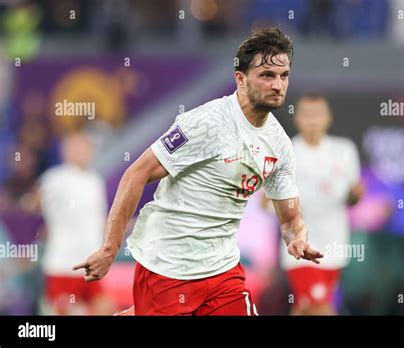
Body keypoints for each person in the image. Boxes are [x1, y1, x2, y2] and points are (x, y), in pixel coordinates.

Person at [74, 28, 323, 316]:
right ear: (240, 79)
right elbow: (135, 174)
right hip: (167, 266)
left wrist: (297, 238)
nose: (278, 84)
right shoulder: (206, 123)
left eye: (284, 76)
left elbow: (290, 219)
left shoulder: (279, 145)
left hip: (222, 271)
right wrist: (109, 250)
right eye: (267, 75)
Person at [280, 94, 363, 315]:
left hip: (334, 247)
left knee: (304, 307)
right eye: (307, 115)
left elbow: (352, 198)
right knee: (320, 306)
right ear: (297, 118)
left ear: (328, 118)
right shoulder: (286, 152)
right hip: (300, 247)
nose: (312, 120)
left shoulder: (344, 150)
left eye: (317, 114)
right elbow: (267, 202)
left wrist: (355, 195)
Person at [39, 132, 114, 315]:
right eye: (77, 147)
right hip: (64, 264)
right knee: (68, 311)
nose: (83, 152)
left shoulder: (95, 180)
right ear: (66, 150)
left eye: (86, 148)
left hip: (90, 262)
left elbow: (99, 219)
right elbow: (37, 201)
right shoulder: (55, 178)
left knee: (105, 308)